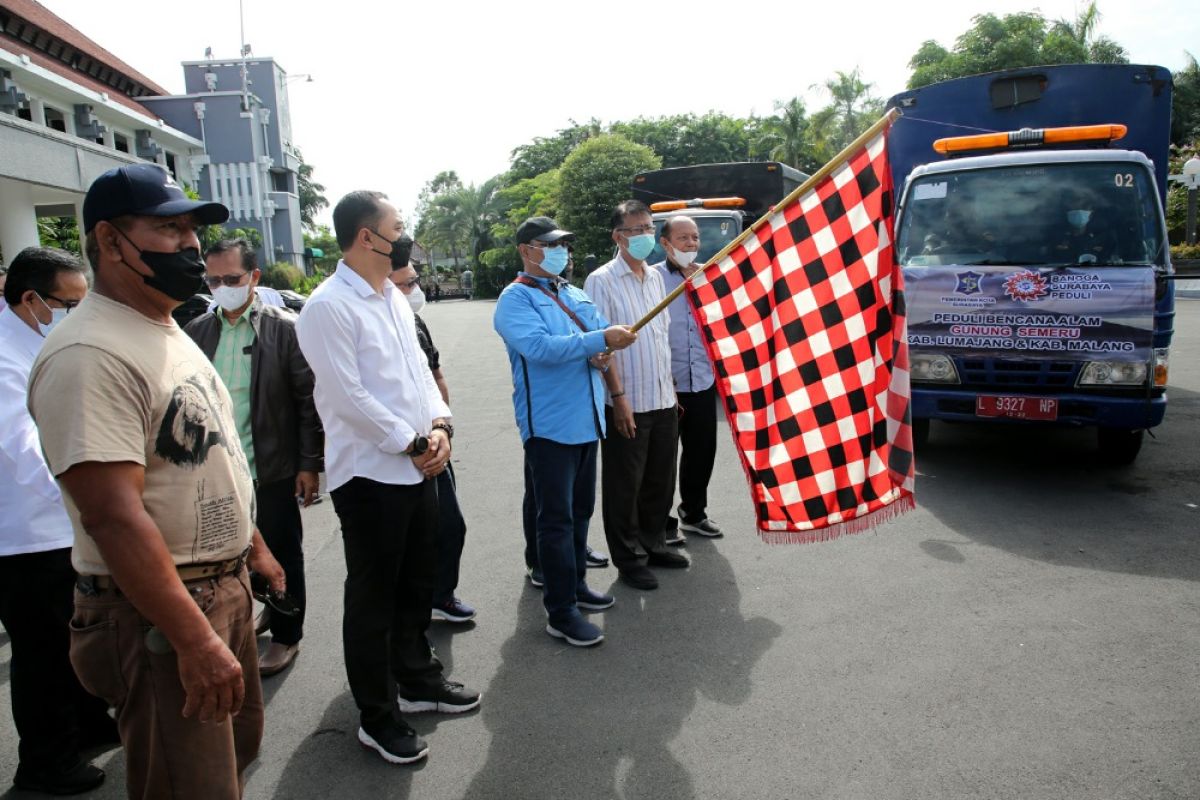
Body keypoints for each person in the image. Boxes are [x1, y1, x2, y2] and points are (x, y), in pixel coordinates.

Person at [27, 162, 286, 799]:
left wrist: (251, 546)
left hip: (213, 592)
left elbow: (203, 456)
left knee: (227, 766)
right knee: (186, 785)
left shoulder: (164, 326)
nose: (192, 246)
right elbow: (112, 516)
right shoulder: (89, 353)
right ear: (112, 241)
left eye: (194, 230)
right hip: (160, 614)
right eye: (170, 230)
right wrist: (193, 640)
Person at [296, 191, 479, 767]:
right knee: (373, 598)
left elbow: (419, 374)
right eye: (397, 227)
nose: (405, 236)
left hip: (419, 464)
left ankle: (417, 678)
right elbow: (348, 397)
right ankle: (377, 717)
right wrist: (413, 442)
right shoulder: (328, 306)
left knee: (416, 584)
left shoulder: (393, 298)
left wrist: (440, 426)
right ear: (366, 237)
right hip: (372, 474)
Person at [0, 247, 118, 795]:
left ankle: (88, 726)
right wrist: (91, 493)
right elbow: (24, 454)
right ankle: (45, 762)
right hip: (28, 536)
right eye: (69, 303)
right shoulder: (5, 356)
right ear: (30, 300)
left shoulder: (40, 344)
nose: (78, 311)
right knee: (43, 653)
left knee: (75, 638)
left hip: (55, 527)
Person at [494, 216, 638, 646]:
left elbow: (596, 344)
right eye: (550, 245)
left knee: (579, 513)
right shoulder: (515, 299)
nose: (562, 253)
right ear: (526, 250)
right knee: (554, 521)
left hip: (587, 420)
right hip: (550, 427)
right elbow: (539, 349)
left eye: (564, 246)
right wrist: (597, 343)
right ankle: (560, 611)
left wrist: (602, 353)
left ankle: (574, 585)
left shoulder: (572, 293)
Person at [184, 238, 323, 677]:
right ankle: (264, 612)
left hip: (272, 467)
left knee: (281, 552)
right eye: (214, 279)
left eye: (233, 279)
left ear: (254, 279)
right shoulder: (197, 332)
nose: (223, 286)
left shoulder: (284, 329)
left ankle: (286, 636)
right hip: (217, 472)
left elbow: (307, 403)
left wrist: (308, 465)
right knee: (234, 554)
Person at [584, 200, 688, 591]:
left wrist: (672, 389)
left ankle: (654, 543)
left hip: (662, 398)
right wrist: (619, 397)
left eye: (648, 228)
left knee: (660, 481)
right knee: (625, 485)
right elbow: (602, 345)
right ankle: (629, 558)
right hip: (628, 401)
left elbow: (660, 338)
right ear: (618, 236)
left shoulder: (657, 278)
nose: (645, 236)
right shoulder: (602, 280)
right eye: (636, 230)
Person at [388, 256, 476, 624]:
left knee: (450, 526)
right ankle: (409, 621)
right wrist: (413, 444)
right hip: (397, 451)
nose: (414, 290)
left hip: (434, 441)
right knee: (407, 543)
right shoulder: (373, 323)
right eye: (405, 284)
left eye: (414, 281)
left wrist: (443, 429)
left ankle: (441, 595)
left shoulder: (415, 321)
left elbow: (435, 376)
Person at [653, 216, 724, 543]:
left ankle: (693, 513)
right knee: (662, 460)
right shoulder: (651, 279)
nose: (691, 243)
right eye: (683, 238)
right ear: (665, 243)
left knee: (701, 451)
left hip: (702, 381)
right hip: (667, 385)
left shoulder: (708, 274)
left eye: (695, 237)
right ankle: (661, 523)